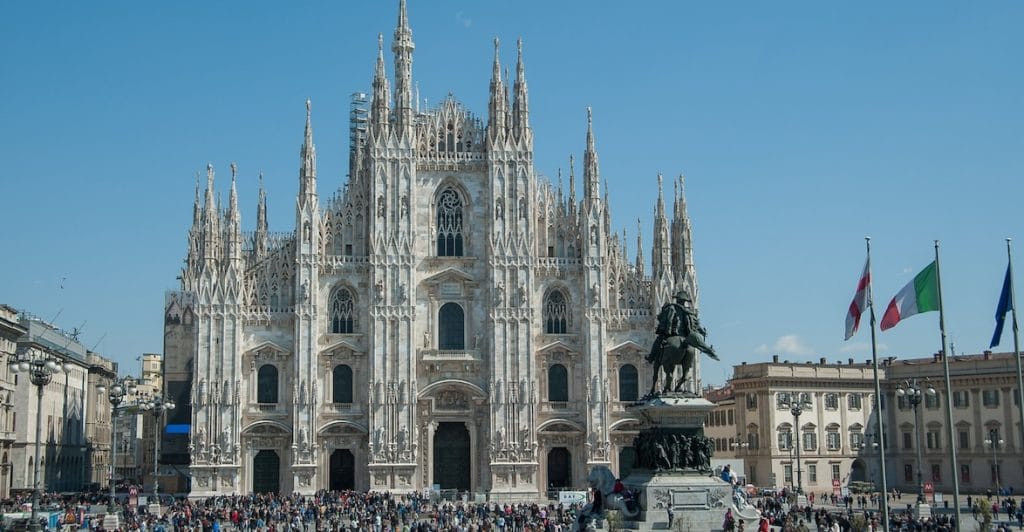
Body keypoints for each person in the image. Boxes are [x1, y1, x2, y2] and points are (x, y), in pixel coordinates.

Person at [647, 288, 717, 365]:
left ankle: (651, 357)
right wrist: (702, 331)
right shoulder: (688, 312)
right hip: (685, 335)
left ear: (677, 300)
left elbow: (669, 320)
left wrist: (666, 331)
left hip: (672, 333)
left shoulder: (671, 308)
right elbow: (696, 325)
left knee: (658, 341)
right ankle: (709, 349)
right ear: (684, 301)